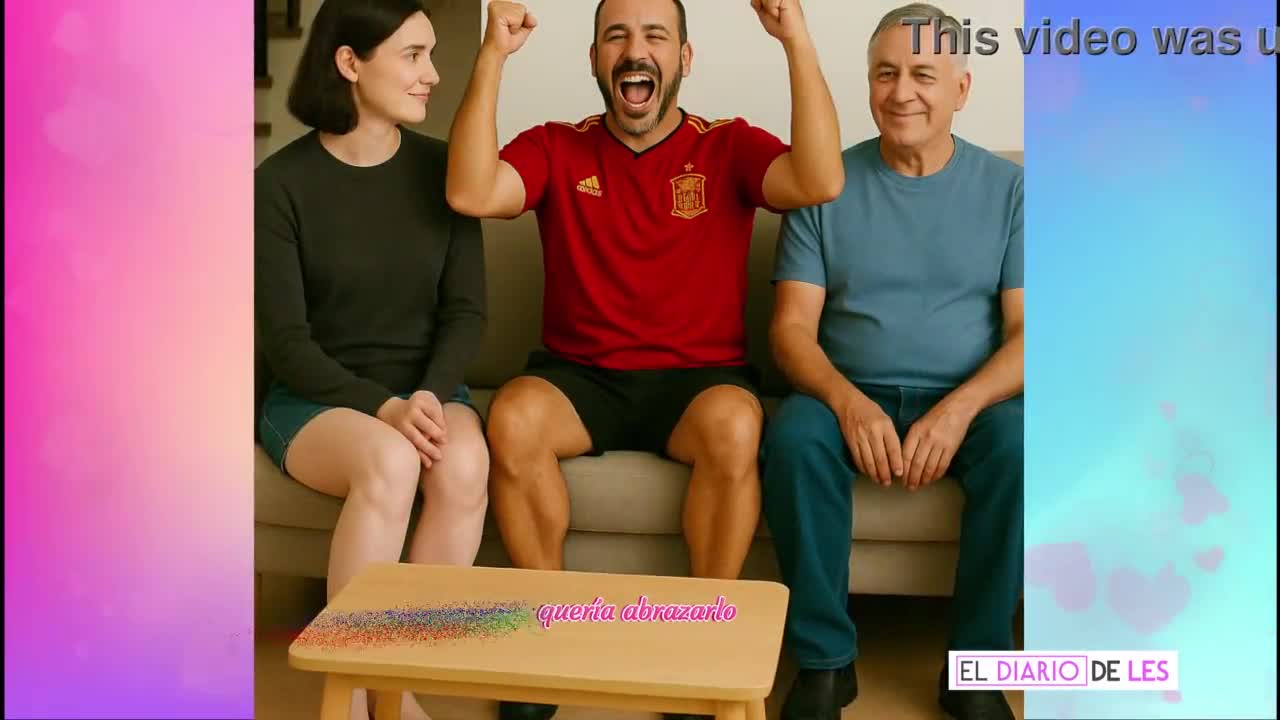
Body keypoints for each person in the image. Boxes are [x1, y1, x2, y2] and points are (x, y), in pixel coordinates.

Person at [446, 1, 842, 719]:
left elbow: (819, 181)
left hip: (698, 382)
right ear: (596, 60)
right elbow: (470, 191)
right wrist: (493, 54)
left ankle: (700, 645)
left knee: (737, 426)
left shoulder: (727, 144)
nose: (636, 50)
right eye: (616, 37)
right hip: (580, 376)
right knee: (513, 416)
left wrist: (795, 39)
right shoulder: (556, 145)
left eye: (656, 36)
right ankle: (546, 645)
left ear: (684, 59)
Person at [759, 4, 1024, 720]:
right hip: (847, 389)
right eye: (885, 73)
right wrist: (848, 403)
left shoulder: (1012, 190)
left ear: (961, 88)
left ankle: (975, 670)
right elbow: (791, 331)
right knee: (794, 437)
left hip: (971, 399)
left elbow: (1029, 334)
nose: (901, 92)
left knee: (1024, 444)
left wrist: (959, 409)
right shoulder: (823, 185)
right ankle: (825, 662)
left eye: (923, 75)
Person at [254, 1, 489, 718]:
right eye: (413, 56)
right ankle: (349, 700)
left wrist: (429, 394)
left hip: (424, 391)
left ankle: (395, 687)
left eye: (430, 55)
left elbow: (466, 313)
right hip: (317, 399)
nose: (433, 74)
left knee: (464, 464)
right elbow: (287, 343)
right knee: (390, 460)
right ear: (350, 63)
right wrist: (386, 408)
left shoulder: (445, 170)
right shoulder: (279, 185)